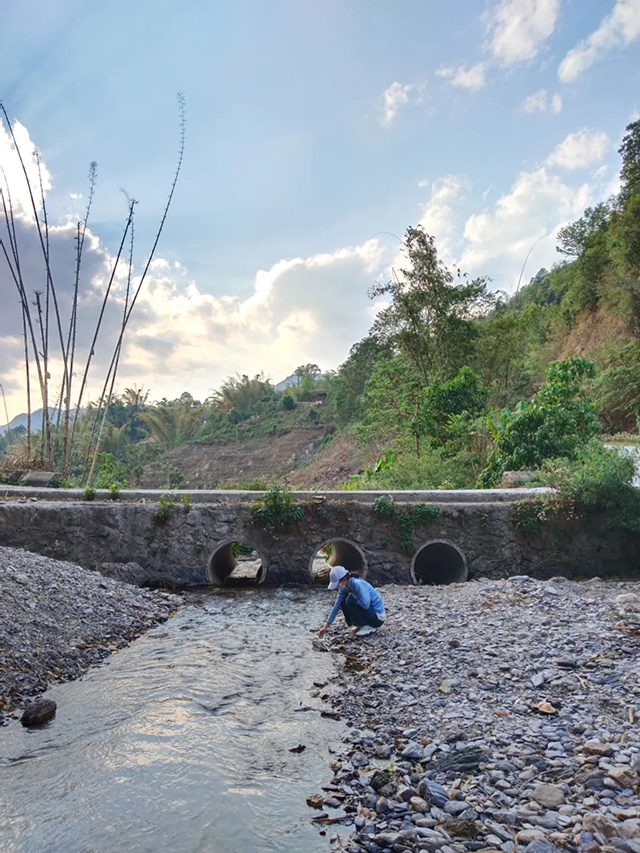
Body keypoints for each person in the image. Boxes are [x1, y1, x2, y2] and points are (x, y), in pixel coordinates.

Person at [318, 565, 386, 637]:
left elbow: (366, 605)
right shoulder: (345, 588)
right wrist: (326, 626)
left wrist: (353, 595)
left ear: (344, 579)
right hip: (370, 613)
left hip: (377, 618)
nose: (337, 587)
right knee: (343, 601)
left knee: (350, 600)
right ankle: (359, 625)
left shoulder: (358, 584)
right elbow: (336, 606)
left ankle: (368, 626)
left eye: (337, 584)